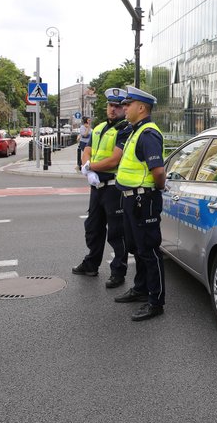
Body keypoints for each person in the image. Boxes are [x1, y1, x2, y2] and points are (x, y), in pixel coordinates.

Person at [113, 85, 167, 322]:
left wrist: (158, 188)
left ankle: (156, 301)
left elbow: (159, 172)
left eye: (128, 104)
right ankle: (140, 288)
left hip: (143, 200)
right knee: (136, 247)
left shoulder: (148, 134)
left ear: (141, 107)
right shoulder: (135, 131)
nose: (124, 108)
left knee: (149, 251)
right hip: (132, 200)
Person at [71, 88, 132, 288]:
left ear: (124, 108)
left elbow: (116, 158)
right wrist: (88, 168)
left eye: (117, 106)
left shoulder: (125, 130)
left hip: (114, 187)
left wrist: (90, 167)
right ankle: (91, 264)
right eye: (110, 105)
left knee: (116, 232)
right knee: (93, 227)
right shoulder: (99, 128)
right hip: (97, 186)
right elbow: (86, 149)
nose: (112, 110)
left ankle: (118, 271)